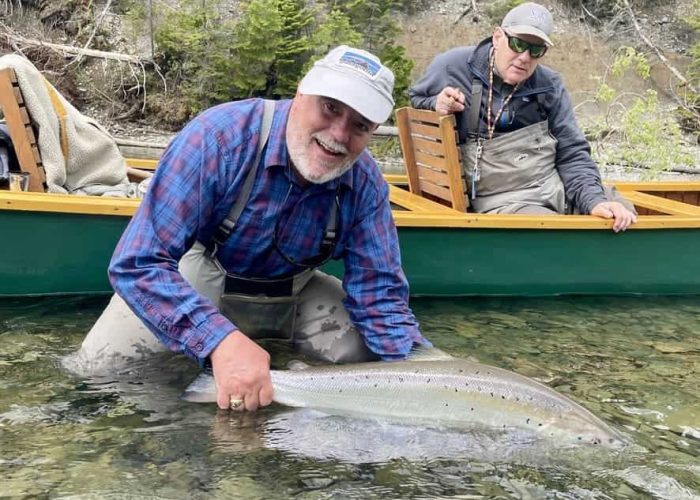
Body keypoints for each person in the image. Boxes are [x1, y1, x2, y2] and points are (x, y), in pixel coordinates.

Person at [67, 45, 430, 412]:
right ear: (302, 91)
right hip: (203, 275)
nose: (338, 133)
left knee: (374, 361)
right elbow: (137, 263)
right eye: (330, 107)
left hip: (296, 290)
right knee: (98, 373)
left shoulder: (366, 184)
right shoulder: (218, 137)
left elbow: (379, 300)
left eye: (360, 125)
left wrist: (432, 369)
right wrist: (218, 341)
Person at [409, 2, 637, 232]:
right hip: (501, 198)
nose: (525, 57)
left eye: (536, 50)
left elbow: (572, 152)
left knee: (622, 211)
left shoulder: (550, 85)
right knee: (549, 230)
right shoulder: (450, 66)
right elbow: (416, 100)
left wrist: (594, 200)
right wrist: (436, 104)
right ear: (497, 37)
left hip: (552, 186)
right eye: (518, 44)